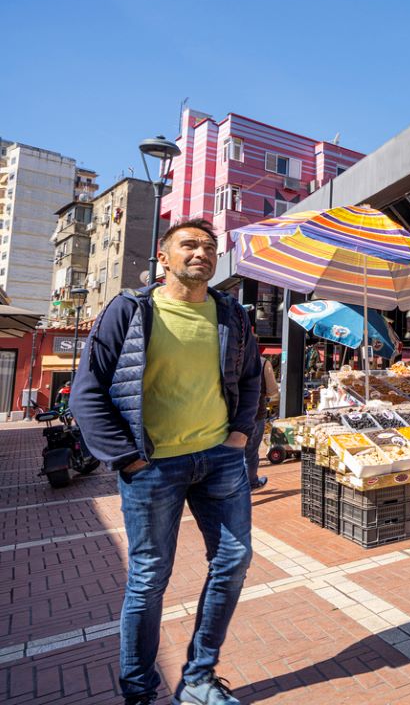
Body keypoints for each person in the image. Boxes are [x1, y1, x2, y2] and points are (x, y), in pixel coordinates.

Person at [70, 219, 261, 705]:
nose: (202, 252)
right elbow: (87, 392)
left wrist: (240, 435)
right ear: (163, 256)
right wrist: (126, 458)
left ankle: (198, 678)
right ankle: (139, 691)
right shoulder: (131, 310)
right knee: (150, 577)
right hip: (152, 467)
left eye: (211, 246)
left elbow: (252, 379)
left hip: (220, 460)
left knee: (234, 561)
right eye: (190, 244)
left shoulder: (232, 315)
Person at [246, 353, 279, 490]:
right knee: (251, 452)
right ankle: (250, 482)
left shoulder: (229, 358)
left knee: (232, 452)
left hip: (230, 412)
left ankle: (232, 485)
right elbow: (272, 391)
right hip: (255, 412)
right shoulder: (263, 363)